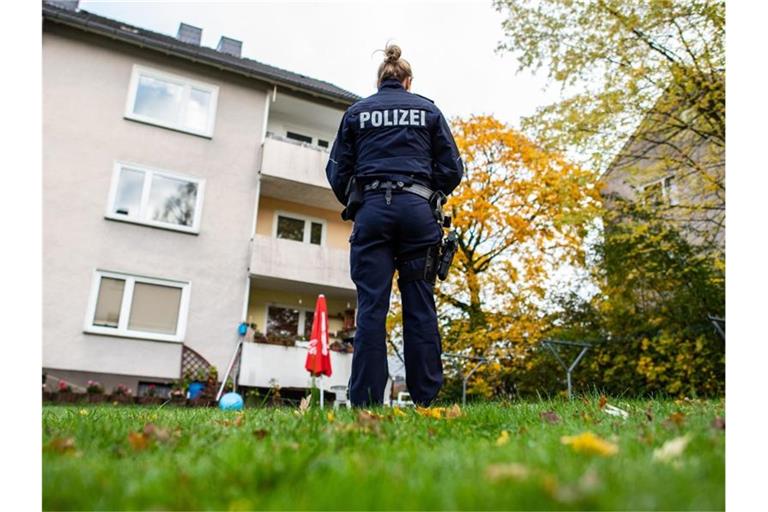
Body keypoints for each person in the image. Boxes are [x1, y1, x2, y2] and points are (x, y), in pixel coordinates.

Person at [325, 44, 464, 407]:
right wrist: (427, 194)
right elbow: (452, 169)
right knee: (420, 302)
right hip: (418, 213)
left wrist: (358, 201)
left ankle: (367, 403)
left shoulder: (357, 113)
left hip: (372, 212)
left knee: (371, 305)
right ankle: (426, 400)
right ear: (408, 81)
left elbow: (337, 171)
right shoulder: (428, 111)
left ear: (380, 81)